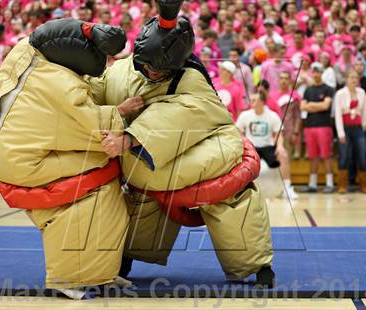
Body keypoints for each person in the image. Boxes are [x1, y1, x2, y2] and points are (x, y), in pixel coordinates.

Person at [92, 1, 274, 287]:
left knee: (228, 193)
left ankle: (256, 265)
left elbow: (186, 113)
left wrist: (129, 139)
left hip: (207, 145)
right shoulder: (121, 71)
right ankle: (127, 255)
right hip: (150, 159)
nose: (152, 73)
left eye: (160, 70)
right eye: (148, 67)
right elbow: (96, 91)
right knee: (145, 193)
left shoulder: (191, 78)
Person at [0, 19, 141, 299]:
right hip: (30, 166)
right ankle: (67, 277)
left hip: (19, 157)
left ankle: (99, 272)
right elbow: (94, 129)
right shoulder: (58, 84)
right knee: (99, 186)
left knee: (110, 191)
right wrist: (120, 111)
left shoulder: (24, 55)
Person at [237, 91, 298, 200]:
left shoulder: (272, 115)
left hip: (268, 148)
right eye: (251, 100)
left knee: (283, 155)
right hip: (251, 148)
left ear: (262, 102)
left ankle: (287, 188)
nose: (251, 102)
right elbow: (237, 131)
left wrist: (280, 146)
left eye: (254, 100)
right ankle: (239, 189)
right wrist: (242, 142)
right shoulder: (245, 115)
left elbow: (279, 134)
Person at [334, 70, 366, 193]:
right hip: (345, 128)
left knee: (362, 155)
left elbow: (365, 111)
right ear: (346, 79)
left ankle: (365, 185)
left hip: (358, 129)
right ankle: (342, 185)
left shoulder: (362, 93)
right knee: (344, 156)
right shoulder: (340, 93)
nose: (354, 80)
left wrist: (364, 125)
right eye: (351, 77)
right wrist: (341, 133)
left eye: (356, 77)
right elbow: (338, 115)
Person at [301, 62, 335, 193]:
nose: (316, 74)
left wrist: (311, 105)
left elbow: (326, 106)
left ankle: (330, 184)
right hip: (310, 127)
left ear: (322, 73)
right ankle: (312, 184)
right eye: (314, 71)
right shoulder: (308, 90)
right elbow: (302, 106)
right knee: (313, 156)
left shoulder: (328, 89)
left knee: (326, 155)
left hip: (324, 126)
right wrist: (318, 105)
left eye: (318, 71)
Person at [269, 71, 302, 160]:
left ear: (290, 81)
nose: (284, 81)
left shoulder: (295, 95)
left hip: (288, 133)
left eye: (286, 78)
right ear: (278, 80)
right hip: (274, 134)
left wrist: (295, 133)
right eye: (282, 78)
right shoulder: (271, 95)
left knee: (286, 160)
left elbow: (298, 117)